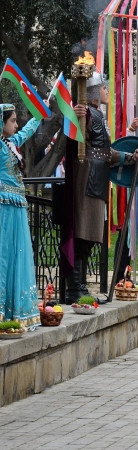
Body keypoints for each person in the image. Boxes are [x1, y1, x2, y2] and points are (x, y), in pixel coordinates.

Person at [69, 72, 138, 299]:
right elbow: (73, 136)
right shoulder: (86, 113)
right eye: (103, 87)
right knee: (83, 234)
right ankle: (75, 288)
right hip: (88, 177)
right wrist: (73, 116)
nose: (107, 91)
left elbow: (106, 153)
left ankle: (80, 286)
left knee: (90, 236)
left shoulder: (98, 115)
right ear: (92, 91)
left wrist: (131, 156)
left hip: (99, 178)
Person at [0, 106, 42, 329]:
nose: (16, 125)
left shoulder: (10, 144)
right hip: (4, 206)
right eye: (13, 121)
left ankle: (15, 312)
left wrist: (40, 113)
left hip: (15, 205)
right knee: (4, 255)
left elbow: (24, 133)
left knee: (16, 254)